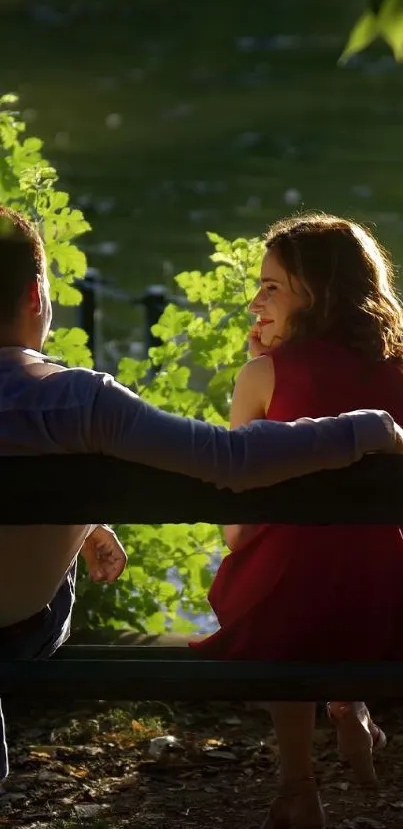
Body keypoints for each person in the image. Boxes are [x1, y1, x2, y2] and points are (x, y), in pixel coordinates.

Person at [0, 208, 399, 788]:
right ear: (38, 295)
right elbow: (230, 462)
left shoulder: (267, 373)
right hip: (18, 625)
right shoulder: (75, 401)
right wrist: (366, 428)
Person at [190, 212, 403, 829]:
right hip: (384, 602)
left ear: (319, 293)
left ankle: (297, 785)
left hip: (286, 609)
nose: (254, 300)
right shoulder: (398, 373)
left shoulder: (263, 376)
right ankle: (349, 703)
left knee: (283, 577)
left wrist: (263, 370)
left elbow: (238, 525)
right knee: (345, 563)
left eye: (271, 286)